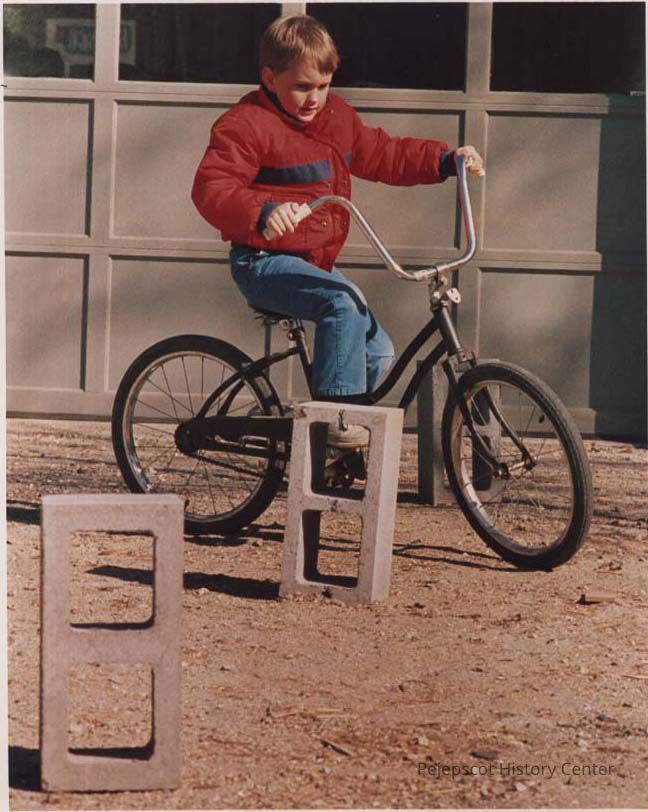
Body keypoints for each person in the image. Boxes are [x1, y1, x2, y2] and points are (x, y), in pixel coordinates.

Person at [192, 14, 484, 448]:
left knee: (378, 351)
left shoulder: (337, 118)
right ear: (269, 79)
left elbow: (383, 154)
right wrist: (263, 211)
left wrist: (444, 160)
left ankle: (333, 436)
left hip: (313, 263)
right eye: (302, 87)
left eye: (323, 86)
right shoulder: (246, 123)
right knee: (341, 304)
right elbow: (212, 188)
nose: (314, 98)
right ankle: (334, 424)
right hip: (261, 260)